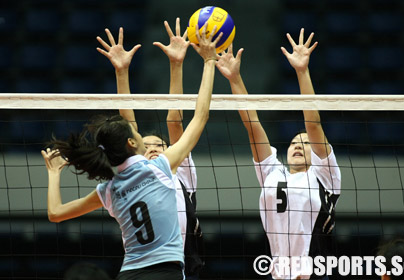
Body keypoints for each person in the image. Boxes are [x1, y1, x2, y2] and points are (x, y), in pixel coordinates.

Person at [42, 22, 222, 280]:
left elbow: (56, 213)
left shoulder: (108, 190)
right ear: (132, 144)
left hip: (128, 274)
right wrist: (208, 61)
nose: (149, 145)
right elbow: (201, 115)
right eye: (140, 138)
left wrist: (53, 173)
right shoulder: (160, 168)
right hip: (165, 272)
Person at [216, 29, 341, 279]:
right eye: (294, 142)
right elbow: (252, 124)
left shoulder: (325, 176)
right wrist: (234, 78)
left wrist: (302, 71)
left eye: (305, 143)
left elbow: (313, 124)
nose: (297, 145)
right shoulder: (271, 173)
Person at [96, 18, 204, 279]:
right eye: (149, 146)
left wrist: (176, 64)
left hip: (184, 264)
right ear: (135, 149)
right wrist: (121, 72)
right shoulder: (143, 172)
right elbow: (126, 123)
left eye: (161, 145)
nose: (154, 149)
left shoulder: (177, 171)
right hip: (148, 266)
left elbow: (174, 119)